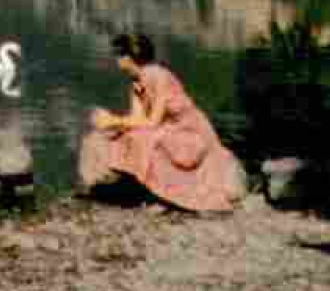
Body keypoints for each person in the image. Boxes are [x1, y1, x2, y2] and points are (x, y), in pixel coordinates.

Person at [77, 32, 247, 212]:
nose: (117, 59)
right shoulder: (137, 81)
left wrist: (114, 120)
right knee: (125, 135)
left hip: (189, 130)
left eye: (120, 54)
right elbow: (138, 118)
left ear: (129, 57)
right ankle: (147, 189)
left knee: (148, 139)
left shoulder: (159, 76)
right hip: (168, 127)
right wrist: (111, 123)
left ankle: (163, 194)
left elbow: (153, 122)